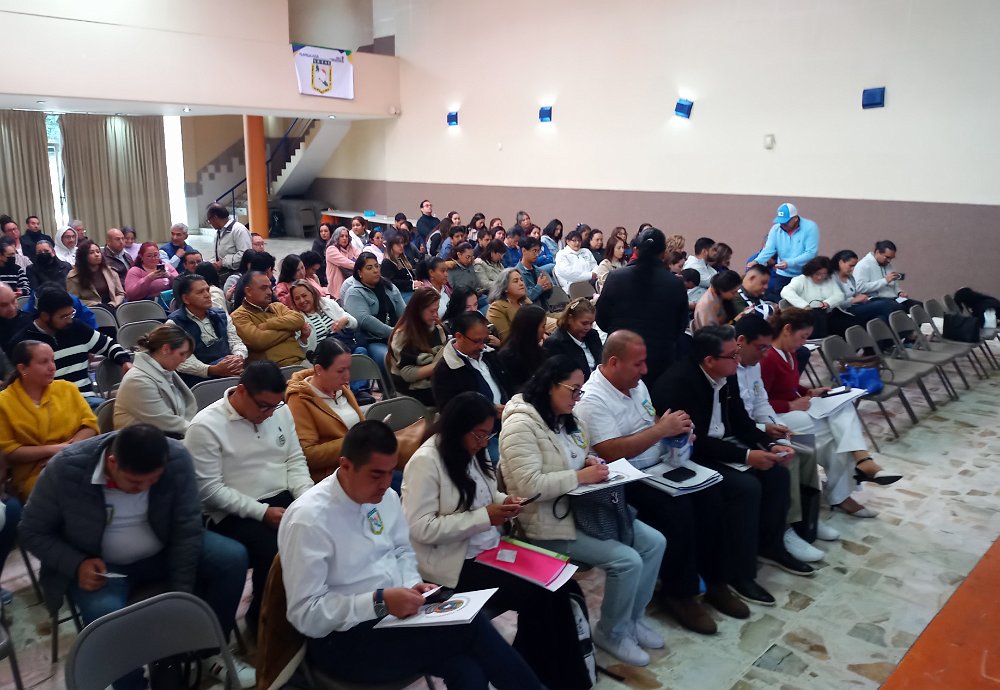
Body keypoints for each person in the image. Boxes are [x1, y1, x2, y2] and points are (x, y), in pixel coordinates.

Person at [277, 420, 543, 690]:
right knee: (472, 627)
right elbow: (306, 615)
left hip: (393, 618)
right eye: (376, 475)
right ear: (346, 466)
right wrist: (379, 601)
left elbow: (401, 551)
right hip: (342, 640)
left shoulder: (385, 498)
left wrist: (411, 585)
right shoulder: (309, 520)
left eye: (390, 472)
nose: (385, 483)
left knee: (467, 666)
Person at [20, 424, 256, 690]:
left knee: (232, 558)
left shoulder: (176, 457)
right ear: (112, 462)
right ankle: (131, 686)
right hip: (103, 567)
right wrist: (76, 564)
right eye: (134, 483)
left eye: (152, 481)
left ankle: (208, 651)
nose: (143, 488)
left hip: (164, 548)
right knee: (104, 616)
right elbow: (31, 530)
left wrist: (180, 599)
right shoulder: (66, 469)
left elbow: (186, 528)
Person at [402, 392, 595, 689]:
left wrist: (505, 501)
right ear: (458, 427)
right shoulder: (426, 462)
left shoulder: (475, 451)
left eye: (488, 435)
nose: (484, 443)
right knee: (537, 594)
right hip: (454, 563)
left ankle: (561, 676)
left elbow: (487, 493)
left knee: (561, 585)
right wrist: (485, 517)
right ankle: (534, 677)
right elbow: (421, 528)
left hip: (490, 547)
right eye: (479, 435)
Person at [574, 331, 756, 633]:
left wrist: (677, 432)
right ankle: (679, 594)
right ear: (615, 362)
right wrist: (661, 431)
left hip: (659, 466)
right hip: (624, 479)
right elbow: (612, 451)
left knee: (712, 496)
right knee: (676, 510)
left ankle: (715, 580)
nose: (645, 370)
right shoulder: (593, 399)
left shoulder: (635, 385)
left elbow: (652, 419)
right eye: (638, 364)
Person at [499, 356, 666, 667]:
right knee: (626, 561)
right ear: (550, 385)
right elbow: (527, 487)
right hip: (547, 523)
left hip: (587, 509)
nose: (578, 398)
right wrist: (579, 476)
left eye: (580, 391)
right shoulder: (520, 425)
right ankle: (611, 632)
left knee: (655, 542)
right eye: (573, 390)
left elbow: (583, 449)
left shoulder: (568, 414)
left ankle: (633, 619)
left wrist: (590, 461)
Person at [651, 325, 815, 580]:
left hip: (721, 444)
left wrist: (769, 444)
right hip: (689, 453)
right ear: (710, 360)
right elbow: (696, 442)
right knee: (746, 487)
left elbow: (740, 420)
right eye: (732, 355)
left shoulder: (727, 374)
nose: (738, 360)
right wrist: (747, 456)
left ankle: (771, 545)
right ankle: (740, 572)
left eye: (737, 352)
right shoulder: (680, 384)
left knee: (777, 474)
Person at [185, 361, 314, 631]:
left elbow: (294, 460)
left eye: (274, 406)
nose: (268, 414)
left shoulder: (279, 411)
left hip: (280, 496)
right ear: (241, 391)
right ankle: (264, 624)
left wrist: (307, 499)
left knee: (318, 533)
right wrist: (262, 512)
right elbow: (210, 491)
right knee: (276, 550)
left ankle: (307, 615)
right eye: (263, 406)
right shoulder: (205, 426)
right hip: (231, 512)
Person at [761, 308, 901, 518]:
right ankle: (858, 469)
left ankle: (851, 479)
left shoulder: (789, 352)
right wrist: (790, 405)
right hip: (775, 416)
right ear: (787, 329)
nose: (804, 342)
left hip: (793, 408)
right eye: (803, 337)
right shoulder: (768, 358)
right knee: (835, 435)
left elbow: (790, 385)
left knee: (839, 419)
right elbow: (759, 401)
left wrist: (809, 392)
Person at [732, 315, 836, 564]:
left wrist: (773, 424)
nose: (765, 354)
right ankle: (785, 528)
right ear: (741, 342)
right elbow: (734, 418)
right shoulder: (728, 368)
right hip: (741, 432)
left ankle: (806, 518)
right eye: (761, 348)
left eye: (767, 348)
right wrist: (765, 429)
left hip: (758, 426)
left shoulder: (753, 364)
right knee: (789, 455)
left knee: (804, 444)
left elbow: (760, 402)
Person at [0, 340, 98, 500]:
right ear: (22, 368)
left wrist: (65, 452)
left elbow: (90, 425)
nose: (52, 367)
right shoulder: (4, 402)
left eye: (53, 360)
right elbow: (9, 451)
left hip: (77, 460)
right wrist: (52, 450)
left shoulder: (67, 389)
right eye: (43, 362)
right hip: (34, 474)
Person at [10, 286, 132, 407]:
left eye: (71, 314)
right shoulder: (24, 341)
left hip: (86, 399)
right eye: (63, 317)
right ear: (45, 316)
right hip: (51, 404)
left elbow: (109, 345)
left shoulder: (77, 328)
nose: (69, 320)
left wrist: (124, 362)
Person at [596, 227, 688, 384]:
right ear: (664, 253)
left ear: (636, 250)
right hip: (660, 360)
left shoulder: (616, 278)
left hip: (620, 358)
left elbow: (601, 319)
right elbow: (680, 326)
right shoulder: (675, 284)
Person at [285, 338, 366, 482]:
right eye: (340, 370)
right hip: (333, 475)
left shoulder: (341, 387)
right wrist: (355, 441)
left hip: (360, 462)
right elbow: (308, 455)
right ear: (319, 370)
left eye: (348, 369)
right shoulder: (299, 399)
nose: (347, 376)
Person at [432, 310, 509, 456]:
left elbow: (508, 385)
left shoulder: (490, 354)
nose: (481, 346)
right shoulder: (445, 370)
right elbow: (450, 414)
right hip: (479, 438)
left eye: (484, 341)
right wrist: (487, 411)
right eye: (476, 341)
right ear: (459, 336)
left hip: (507, 424)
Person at [113, 324, 198, 437]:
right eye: (181, 354)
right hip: (142, 444)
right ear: (165, 349)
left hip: (166, 438)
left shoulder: (165, 370)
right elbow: (166, 422)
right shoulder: (137, 381)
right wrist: (201, 431)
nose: (183, 360)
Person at [167, 274, 246, 384]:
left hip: (230, 370)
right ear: (186, 299)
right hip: (199, 380)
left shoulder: (221, 314)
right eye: (200, 292)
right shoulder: (174, 324)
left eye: (207, 290)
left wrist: (238, 357)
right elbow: (183, 362)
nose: (207, 295)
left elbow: (236, 341)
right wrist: (213, 369)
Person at [342, 252, 406, 374]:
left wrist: (407, 329)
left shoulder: (389, 286)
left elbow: (404, 312)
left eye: (377, 266)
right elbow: (365, 320)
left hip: (398, 334)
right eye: (369, 268)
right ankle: (392, 386)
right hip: (373, 340)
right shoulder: (354, 292)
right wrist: (394, 332)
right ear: (360, 273)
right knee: (388, 358)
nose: (375, 270)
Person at [231, 272, 308, 365]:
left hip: (301, 361)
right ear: (248, 291)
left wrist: (269, 324)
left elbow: (299, 319)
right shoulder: (239, 315)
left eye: (270, 287)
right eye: (263, 288)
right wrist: (290, 329)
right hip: (274, 369)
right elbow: (259, 341)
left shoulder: (278, 306)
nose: (269, 292)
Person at [387, 287, 447, 407]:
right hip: (412, 389)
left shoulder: (438, 328)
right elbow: (408, 374)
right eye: (432, 311)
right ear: (418, 310)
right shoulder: (403, 335)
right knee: (456, 396)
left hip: (434, 381)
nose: (436, 315)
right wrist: (442, 364)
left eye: (437, 310)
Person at [749, 202, 820, 294]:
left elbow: (811, 253)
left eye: (786, 222)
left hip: (804, 274)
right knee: (780, 299)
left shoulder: (810, 227)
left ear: (795, 218)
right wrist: (757, 261)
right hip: (783, 274)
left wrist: (789, 263)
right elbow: (768, 249)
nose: (782, 225)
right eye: (780, 221)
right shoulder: (775, 229)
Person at [780, 256, 859, 338]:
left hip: (828, 315)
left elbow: (839, 295)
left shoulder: (829, 280)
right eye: (817, 274)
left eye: (824, 274)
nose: (820, 277)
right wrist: (804, 305)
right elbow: (786, 292)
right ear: (811, 271)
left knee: (853, 326)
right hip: (809, 317)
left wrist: (828, 303)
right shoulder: (801, 280)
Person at [543, 297, 603, 380]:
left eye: (591, 323)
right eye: (584, 323)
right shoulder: (555, 343)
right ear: (570, 319)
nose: (588, 327)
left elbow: (601, 362)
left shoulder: (593, 335)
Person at [831, 249, 896, 324]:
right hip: (844, 312)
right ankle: (901, 330)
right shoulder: (832, 279)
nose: (852, 269)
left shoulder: (850, 278)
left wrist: (861, 297)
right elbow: (834, 304)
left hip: (856, 306)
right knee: (884, 305)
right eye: (850, 266)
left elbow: (855, 294)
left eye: (854, 266)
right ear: (841, 262)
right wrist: (853, 301)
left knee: (880, 317)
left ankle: (895, 330)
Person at [852, 240, 918, 311]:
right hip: (875, 299)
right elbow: (859, 288)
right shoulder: (863, 265)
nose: (889, 261)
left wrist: (899, 292)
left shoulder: (888, 265)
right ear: (877, 252)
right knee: (895, 307)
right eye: (887, 257)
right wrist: (885, 281)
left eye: (891, 258)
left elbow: (895, 286)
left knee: (918, 306)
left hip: (893, 298)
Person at [496, 304, 547, 393]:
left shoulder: (537, 349)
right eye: (543, 326)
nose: (545, 330)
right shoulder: (508, 356)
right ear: (532, 328)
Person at [67, 239, 126, 310]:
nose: (97, 255)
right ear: (83, 256)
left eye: (98, 252)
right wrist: (97, 305)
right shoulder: (74, 276)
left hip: (112, 307)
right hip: (90, 310)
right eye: (91, 253)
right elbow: (73, 300)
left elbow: (120, 293)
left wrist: (113, 303)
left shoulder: (110, 271)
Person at [486, 268, 537, 342]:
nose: (521, 283)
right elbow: (507, 339)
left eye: (521, 280)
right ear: (505, 288)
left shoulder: (525, 300)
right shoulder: (496, 308)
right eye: (516, 281)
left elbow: (541, 321)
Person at [208, 204, 252, 282]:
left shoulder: (239, 230)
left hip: (237, 276)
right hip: (222, 274)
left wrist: (223, 262)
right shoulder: (219, 232)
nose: (209, 223)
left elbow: (246, 254)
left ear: (215, 217)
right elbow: (217, 254)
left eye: (209, 219)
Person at [516, 236, 553, 309]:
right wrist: (539, 287)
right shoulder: (517, 273)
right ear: (524, 251)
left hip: (545, 309)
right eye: (534, 251)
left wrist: (549, 288)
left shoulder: (539, 271)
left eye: (538, 251)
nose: (537, 254)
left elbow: (546, 297)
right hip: (531, 312)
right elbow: (525, 298)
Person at [325, 226, 359, 299]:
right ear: (336, 237)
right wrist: (360, 265)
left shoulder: (351, 247)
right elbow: (346, 263)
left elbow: (361, 256)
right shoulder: (331, 250)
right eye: (342, 236)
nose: (344, 238)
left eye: (346, 236)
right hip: (337, 289)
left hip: (351, 286)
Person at [381, 232, 417, 298]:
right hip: (399, 295)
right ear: (391, 246)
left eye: (402, 243)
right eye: (397, 244)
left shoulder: (403, 260)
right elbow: (390, 282)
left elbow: (411, 276)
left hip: (411, 291)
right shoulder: (387, 262)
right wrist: (412, 284)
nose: (401, 246)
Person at [682, 237, 717, 304]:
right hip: (691, 306)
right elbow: (713, 283)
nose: (716, 253)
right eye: (714, 250)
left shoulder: (707, 266)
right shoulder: (693, 265)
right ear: (704, 251)